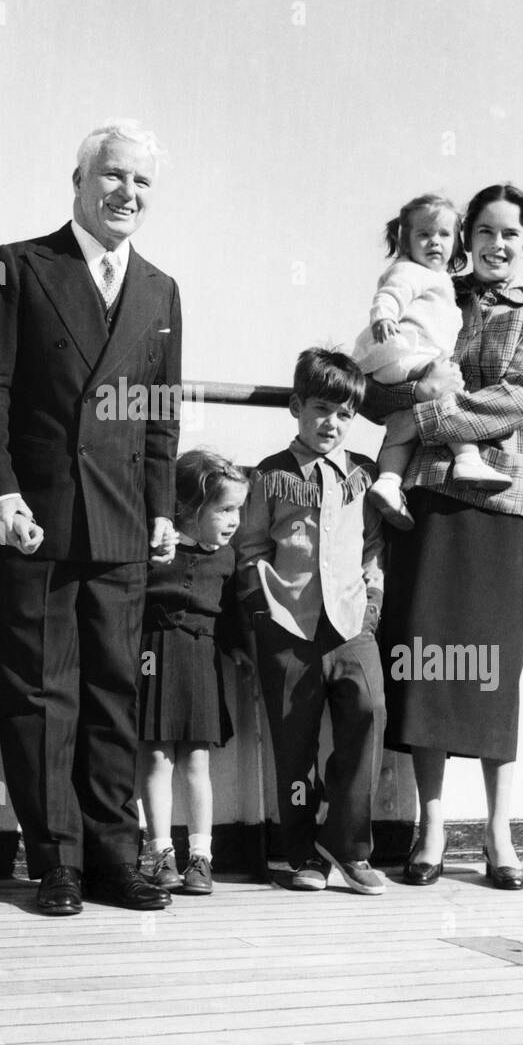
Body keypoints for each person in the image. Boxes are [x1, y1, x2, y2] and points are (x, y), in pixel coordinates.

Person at [0, 120, 182, 915]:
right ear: (80, 181)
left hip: (123, 518)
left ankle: (113, 857)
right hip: (37, 515)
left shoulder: (159, 290)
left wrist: (161, 507)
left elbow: (159, 416)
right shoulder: (19, 266)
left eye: (142, 182)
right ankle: (55, 860)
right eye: (113, 176)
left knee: (115, 692)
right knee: (40, 691)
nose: (127, 193)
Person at [369, 183, 523, 891]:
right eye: (483, 231)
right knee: (426, 664)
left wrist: (425, 421)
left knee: (492, 673)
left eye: (510, 233)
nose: (495, 244)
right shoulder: (429, 291)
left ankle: (499, 834)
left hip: (503, 503)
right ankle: (430, 827)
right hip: (427, 501)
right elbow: (376, 386)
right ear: (464, 237)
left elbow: (517, 400)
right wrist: (397, 382)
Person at [235, 348, 388, 894]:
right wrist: (263, 612)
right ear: (297, 406)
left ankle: (347, 844)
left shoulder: (364, 476)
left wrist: (371, 605)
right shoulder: (270, 475)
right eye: (322, 409)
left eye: (345, 414)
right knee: (294, 743)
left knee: (368, 713)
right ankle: (302, 852)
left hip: (351, 624)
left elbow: (373, 546)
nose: (333, 423)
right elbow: (250, 546)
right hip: (288, 625)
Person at [353, 194, 512, 530]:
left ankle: (388, 482)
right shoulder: (411, 270)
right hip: (409, 355)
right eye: (423, 235)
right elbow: (391, 292)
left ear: (456, 244)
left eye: (443, 235)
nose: (434, 242)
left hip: (399, 366)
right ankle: (467, 458)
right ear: (405, 241)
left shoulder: (439, 280)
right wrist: (384, 315)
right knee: (448, 389)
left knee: (401, 430)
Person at [138, 449, 251, 897]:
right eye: (224, 510)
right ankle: (160, 852)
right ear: (189, 508)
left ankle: (201, 856)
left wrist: (238, 648)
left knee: (197, 761)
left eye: (238, 510)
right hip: (154, 657)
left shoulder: (226, 559)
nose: (234, 520)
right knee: (155, 758)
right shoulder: (154, 551)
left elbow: (228, 616)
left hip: (201, 660)